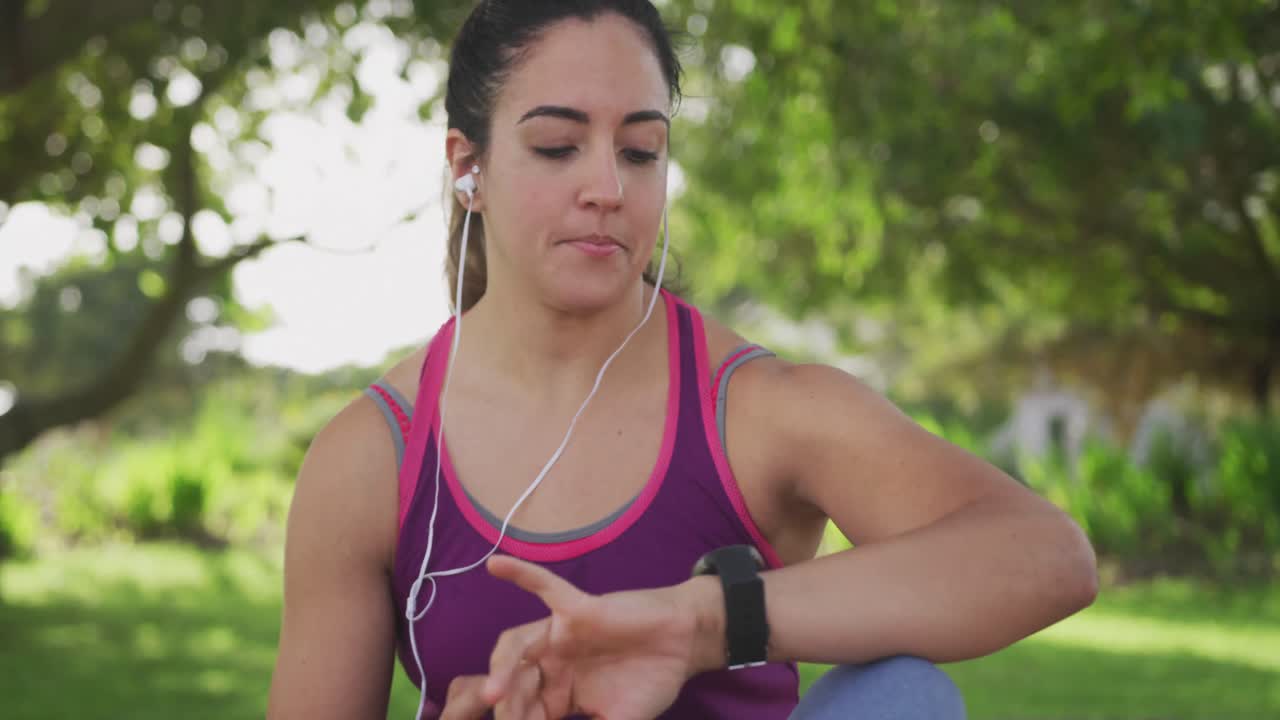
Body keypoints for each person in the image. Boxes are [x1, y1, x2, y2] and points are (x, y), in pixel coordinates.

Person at [266, 1, 1099, 718]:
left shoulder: (758, 409)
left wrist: (700, 622)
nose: (608, 188)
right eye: (558, 146)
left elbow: (1044, 555)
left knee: (900, 695)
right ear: (467, 168)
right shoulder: (372, 458)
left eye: (640, 151)